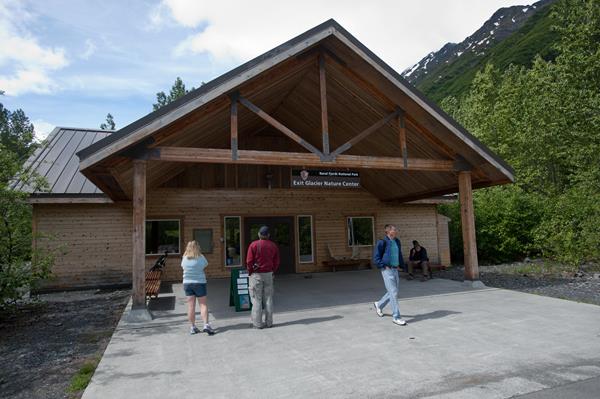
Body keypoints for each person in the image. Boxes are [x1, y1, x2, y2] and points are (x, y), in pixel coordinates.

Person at [372, 224, 407, 326]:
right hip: (387, 270)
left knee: (392, 292)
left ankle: (379, 304)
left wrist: (402, 266)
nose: (396, 231)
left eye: (395, 230)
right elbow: (376, 257)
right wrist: (383, 266)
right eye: (394, 230)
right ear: (388, 231)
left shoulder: (397, 241)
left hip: (395, 269)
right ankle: (396, 317)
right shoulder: (382, 242)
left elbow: (399, 254)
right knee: (394, 292)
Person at [246, 225, 280, 329]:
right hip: (269, 274)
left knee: (257, 299)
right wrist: (272, 271)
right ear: (268, 235)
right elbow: (277, 261)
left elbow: (249, 261)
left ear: (259, 234)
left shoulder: (253, 245)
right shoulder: (273, 245)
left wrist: (250, 271)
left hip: (256, 275)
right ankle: (269, 322)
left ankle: (257, 323)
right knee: (268, 298)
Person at [181, 240, 215, 335]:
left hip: (187, 283)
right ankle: (206, 325)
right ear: (197, 247)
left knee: (191, 306)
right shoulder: (201, 257)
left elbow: (182, 266)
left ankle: (192, 327)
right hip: (200, 283)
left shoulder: (184, 258)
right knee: (203, 305)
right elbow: (205, 265)